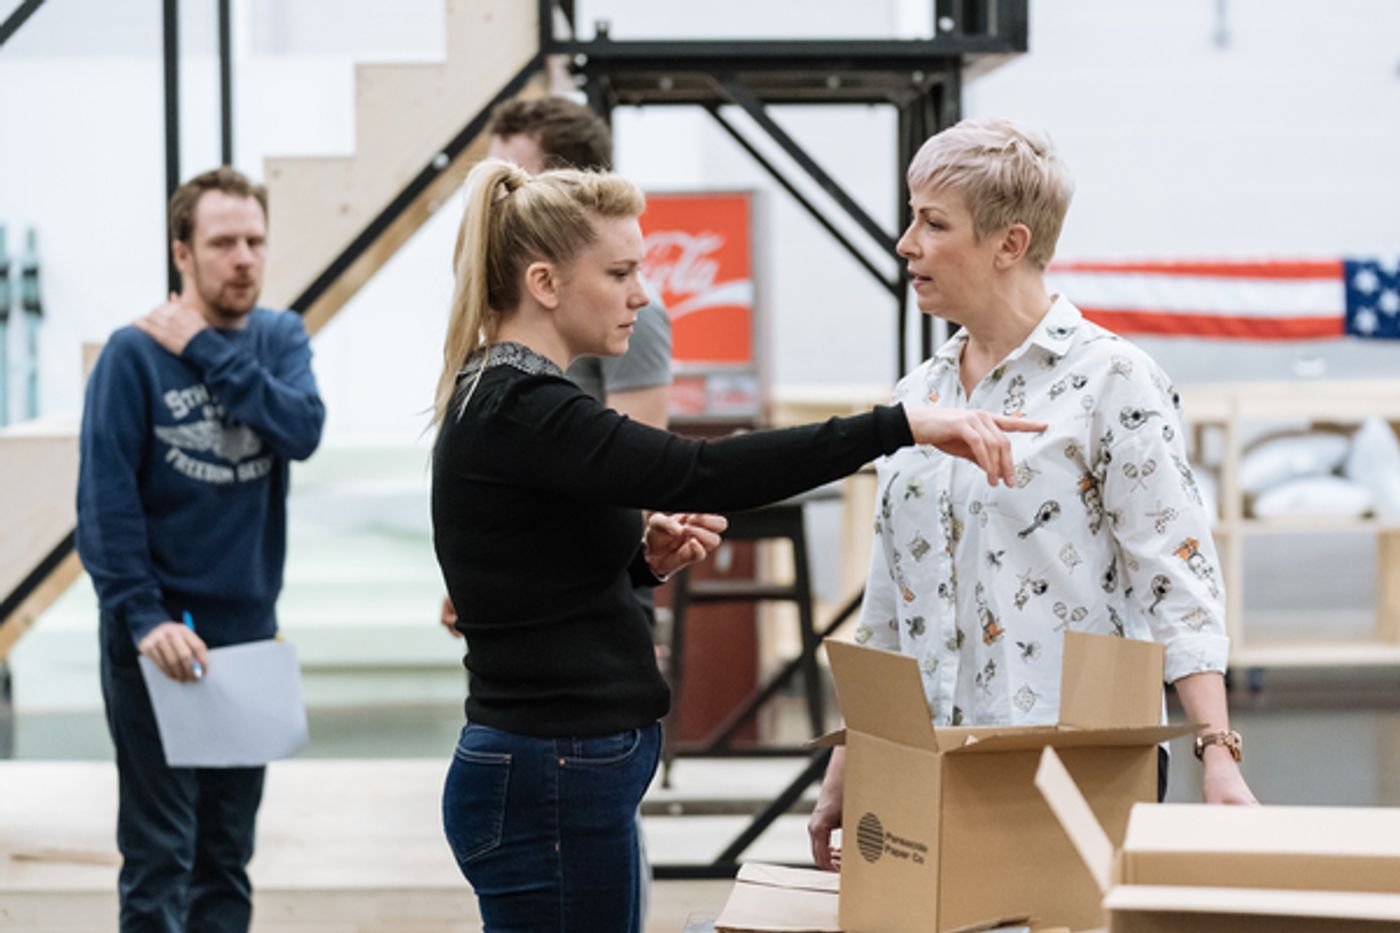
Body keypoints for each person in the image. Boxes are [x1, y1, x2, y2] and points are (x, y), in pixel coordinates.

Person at [431, 158, 1044, 932]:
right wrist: (901, 423)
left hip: (560, 770)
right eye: (620, 271)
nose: (642, 294)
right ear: (545, 284)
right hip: (551, 773)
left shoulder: (508, 397)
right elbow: (699, 469)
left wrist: (634, 561)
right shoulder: (524, 405)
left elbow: (521, 567)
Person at [807, 118, 1257, 872]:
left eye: (932, 222)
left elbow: (1178, 577)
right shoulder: (921, 394)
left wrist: (1218, 751)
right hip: (933, 757)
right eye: (912, 215)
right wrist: (848, 764)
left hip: (1076, 757)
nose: (905, 243)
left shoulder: (1115, 380)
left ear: (1009, 245)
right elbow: (890, 602)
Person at [76, 166, 324, 932]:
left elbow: (302, 429)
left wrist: (211, 352)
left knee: (225, 857)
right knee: (159, 855)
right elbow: (105, 503)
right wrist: (144, 620)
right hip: (159, 640)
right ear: (182, 252)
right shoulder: (132, 355)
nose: (244, 257)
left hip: (247, 638)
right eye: (222, 242)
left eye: (254, 240)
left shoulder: (279, 337)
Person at [439, 95, 672, 636]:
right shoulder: (508, 350)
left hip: (602, 587)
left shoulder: (630, 316)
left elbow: (643, 468)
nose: (505, 197)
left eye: (521, 175)